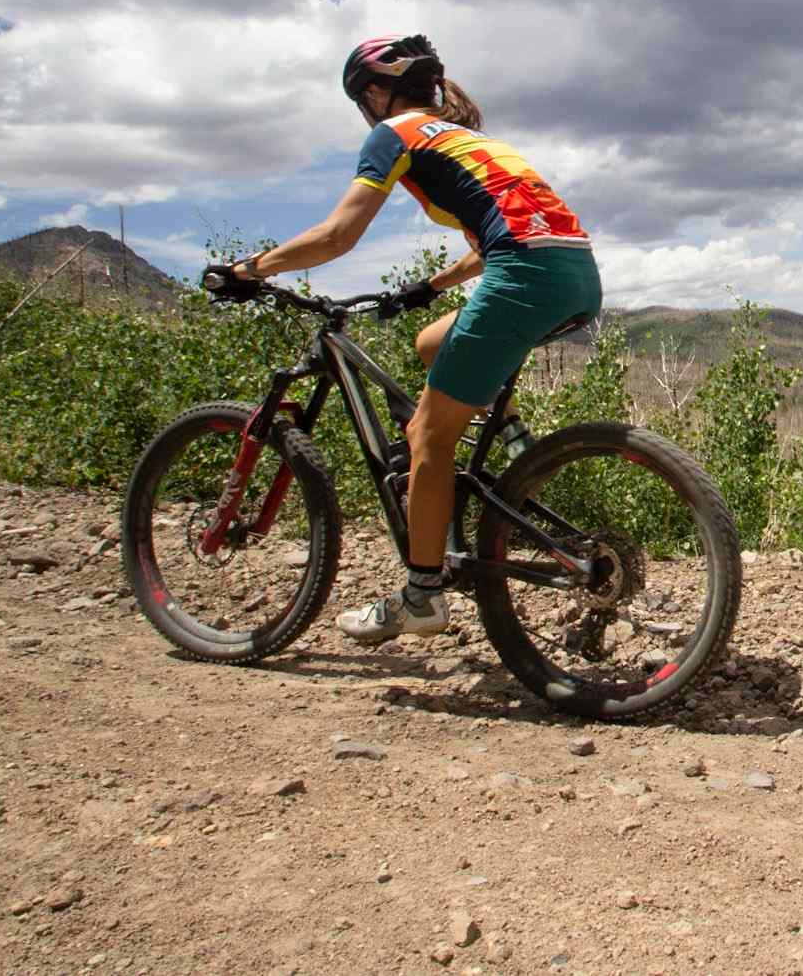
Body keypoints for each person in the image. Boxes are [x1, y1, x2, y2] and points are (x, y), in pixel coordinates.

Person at [204, 34, 602, 644]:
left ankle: (421, 597)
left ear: (373, 94)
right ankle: (517, 444)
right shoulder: (474, 142)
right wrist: (428, 288)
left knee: (426, 437)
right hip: (576, 275)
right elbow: (495, 239)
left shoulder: (396, 134)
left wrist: (249, 270)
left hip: (523, 275)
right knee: (431, 343)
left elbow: (338, 235)